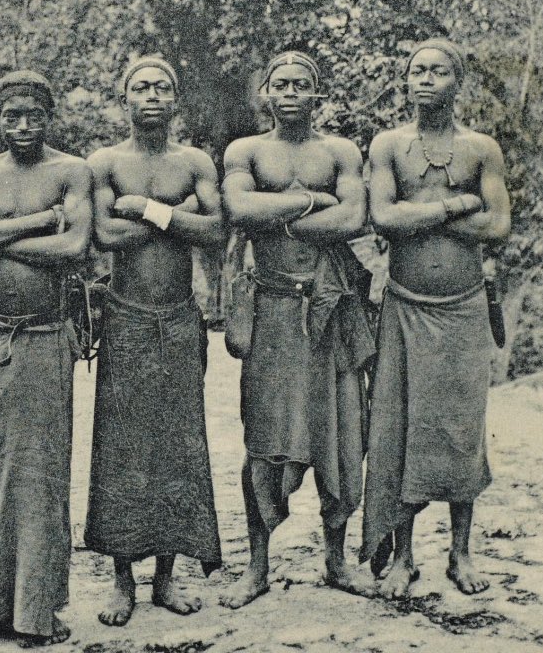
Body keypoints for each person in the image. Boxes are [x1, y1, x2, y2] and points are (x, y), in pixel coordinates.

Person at [220, 51, 375, 609]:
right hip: (273, 311)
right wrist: (314, 201)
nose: (289, 93)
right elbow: (239, 209)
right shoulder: (245, 150)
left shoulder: (340, 151)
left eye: (300, 84)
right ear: (265, 92)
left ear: (316, 94)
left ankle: (336, 560)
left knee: (341, 436)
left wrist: (280, 215)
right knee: (265, 441)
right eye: (279, 84)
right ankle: (256, 567)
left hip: (333, 312)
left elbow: (353, 218)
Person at [0, 70, 92, 648]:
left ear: (49, 116)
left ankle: (36, 614)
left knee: (42, 474)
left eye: (34, 115)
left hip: (46, 337)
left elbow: (72, 246)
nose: (23, 126)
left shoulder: (71, 171)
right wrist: (35, 222)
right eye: (12, 116)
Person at [360, 38, 511, 598]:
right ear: (406, 81)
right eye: (417, 71)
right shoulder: (388, 146)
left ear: (457, 82)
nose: (425, 79)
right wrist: (454, 205)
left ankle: (460, 552)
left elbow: (498, 226)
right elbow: (383, 218)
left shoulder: (481, 149)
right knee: (401, 430)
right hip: (404, 306)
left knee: (460, 429)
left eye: (438, 71)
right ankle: (402, 556)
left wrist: (417, 213)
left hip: (465, 309)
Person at [84, 56, 223, 626]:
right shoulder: (104, 162)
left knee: (177, 445)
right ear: (124, 99)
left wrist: (145, 208)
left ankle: (165, 576)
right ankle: (122, 579)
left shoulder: (194, 161)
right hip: (126, 319)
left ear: (175, 98)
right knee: (122, 447)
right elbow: (104, 234)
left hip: (180, 319)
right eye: (140, 87)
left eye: (162, 87)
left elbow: (215, 229)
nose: (152, 96)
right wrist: (176, 214)